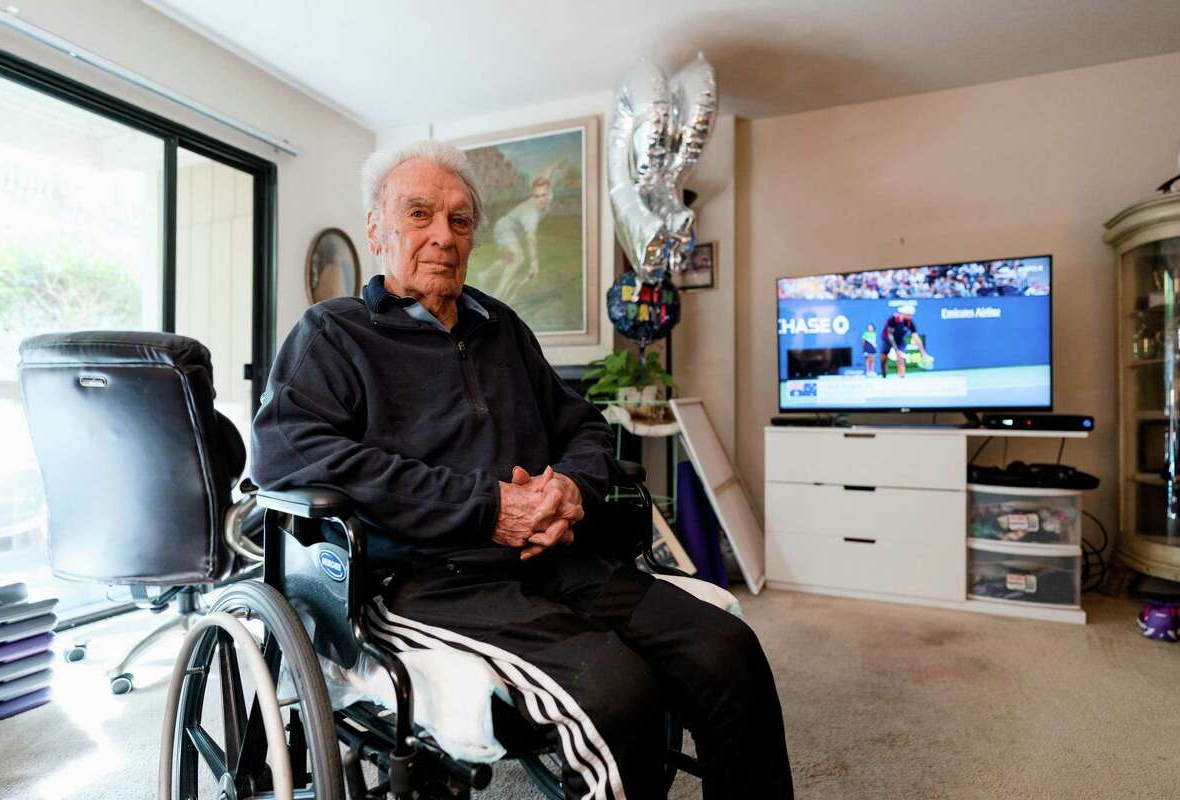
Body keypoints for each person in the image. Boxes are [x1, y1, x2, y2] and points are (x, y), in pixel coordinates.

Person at [251, 140, 794, 800]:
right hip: (432, 578)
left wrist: (569, 487)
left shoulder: (500, 327)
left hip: (559, 556)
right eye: (418, 214)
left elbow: (585, 429)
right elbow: (290, 453)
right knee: (616, 693)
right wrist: (488, 507)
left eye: (459, 220)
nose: (442, 237)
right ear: (376, 229)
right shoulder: (333, 333)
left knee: (727, 651)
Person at [490, 167, 559, 303]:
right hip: (505, 227)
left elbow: (547, 175)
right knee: (518, 258)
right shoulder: (531, 213)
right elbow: (531, 239)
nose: (540, 199)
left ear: (549, 192)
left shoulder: (549, 195)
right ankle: (497, 297)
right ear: (533, 196)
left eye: (543, 195)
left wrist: (556, 165)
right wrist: (534, 263)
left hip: (513, 229)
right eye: (536, 196)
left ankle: (484, 275)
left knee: (508, 260)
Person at [880, 304, 934, 378]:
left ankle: (902, 377)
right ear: (902, 314)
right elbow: (890, 335)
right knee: (883, 358)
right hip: (887, 339)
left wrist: (923, 353)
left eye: (911, 315)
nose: (910, 317)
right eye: (908, 315)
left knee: (900, 357)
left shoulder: (910, 322)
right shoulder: (892, 319)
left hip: (899, 340)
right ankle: (884, 373)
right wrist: (896, 350)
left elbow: (916, 338)